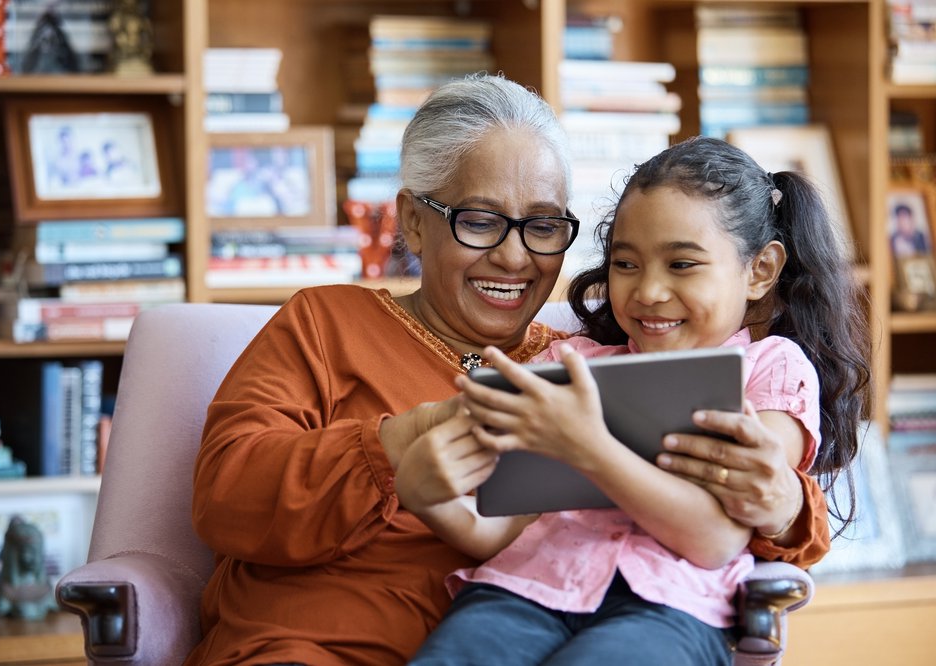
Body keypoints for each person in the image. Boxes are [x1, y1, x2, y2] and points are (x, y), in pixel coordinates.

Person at [187, 76, 832, 666]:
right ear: (412, 220)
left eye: (544, 226)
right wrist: (392, 449)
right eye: (481, 221)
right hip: (308, 648)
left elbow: (746, 514)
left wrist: (785, 505)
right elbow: (225, 494)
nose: (515, 256)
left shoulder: (581, 367)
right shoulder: (325, 323)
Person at [405, 136, 871, 665]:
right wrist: (426, 495)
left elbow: (714, 538)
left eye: (682, 265)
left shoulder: (770, 368)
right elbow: (497, 532)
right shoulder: (569, 365)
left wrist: (589, 448)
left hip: (670, 610)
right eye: (626, 264)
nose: (647, 291)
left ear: (760, 270)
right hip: (524, 591)